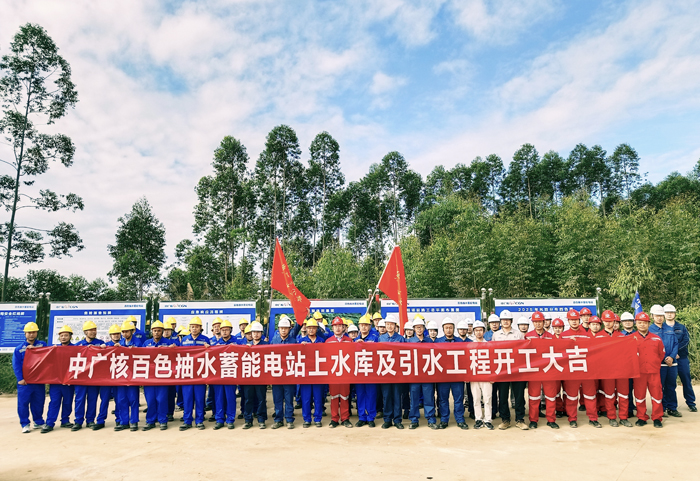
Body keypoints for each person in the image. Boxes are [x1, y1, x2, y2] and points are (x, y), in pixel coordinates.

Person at [561, 309, 598, 428]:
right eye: (571, 320)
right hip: (571, 371)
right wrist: (567, 342)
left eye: (576, 319)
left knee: (590, 395)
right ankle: (572, 419)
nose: (574, 322)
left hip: (587, 370)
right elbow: (558, 352)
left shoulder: (588, 335)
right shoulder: (563, 335)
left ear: (579, 320)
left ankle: (593, 418)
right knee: (571, 397)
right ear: (568, 321)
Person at [492, 310, 527, 430]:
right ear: (500, 321)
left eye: (507, 320)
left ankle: (520, 419)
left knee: (519, 396)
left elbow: (523, 351)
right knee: (502, 397)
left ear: (511, 321)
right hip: (502, 370)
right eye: (503, 320)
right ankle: (505, 420)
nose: (505, 322)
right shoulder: (496, 335)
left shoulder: (518, 334)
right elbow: (493, 352)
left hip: (517, 370)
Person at [597, 310, 632, 427]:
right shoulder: (598, 337)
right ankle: (611, 417)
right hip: (607, 372)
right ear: (602, 321)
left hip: (622, 371)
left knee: (624, 395)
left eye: (610, 321)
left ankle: (623, 417)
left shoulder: (622, 336)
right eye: (606, 321)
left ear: (614, 321)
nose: (608, 323)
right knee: (609, 395)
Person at [73, 321, 109, 432]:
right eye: (90, 330)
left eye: (94, 330)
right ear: (85, 332)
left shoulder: (101, 343)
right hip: (81, 378)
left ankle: (90, 420)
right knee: (79, 399)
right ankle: (78, 421)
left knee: (92, 399)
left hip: (94, 377)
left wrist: (103, 348)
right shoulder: (78, 345)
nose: (93, 332)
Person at [525, 311, 559, 429]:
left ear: (544, 322)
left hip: (548, 369)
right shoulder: (528, 336)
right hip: (534, 371)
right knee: (534, 397)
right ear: (533, 323)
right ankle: (533, 420)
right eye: (535, 322)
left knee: (551, 396)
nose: (538, 324)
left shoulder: (550, 336)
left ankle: (551, 419)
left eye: (540, 322)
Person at [632, 312, 665, 428]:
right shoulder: (631, 338)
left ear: (648, 324)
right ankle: (641, 417)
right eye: (639, 322)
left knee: (657, 395)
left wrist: (654, 363)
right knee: (639, 396)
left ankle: (657, 418)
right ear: (636, 324)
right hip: (638, 373)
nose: (642, 325)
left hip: (654, 372)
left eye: (644, 323)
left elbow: (661, 354)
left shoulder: (656, 338)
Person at [13, 321, 47, 433]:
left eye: (33, 332)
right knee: (23, 403)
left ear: (37, 333)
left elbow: (49, 357)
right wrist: (20, 379)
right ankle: (25, 424)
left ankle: (38, 422)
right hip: (25, 382)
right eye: (29, 332)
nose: (31, 334)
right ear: (25, 334)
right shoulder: (19, 349)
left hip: (39, 381)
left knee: (39, 402)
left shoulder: (43, 345)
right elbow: (16, 365)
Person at [435, 317, 469, 430]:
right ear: (443, 329)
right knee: (443, 399)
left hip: (457, 376)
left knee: (458, 399)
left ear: (454, 329)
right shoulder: (438, 342)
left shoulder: (460, 341)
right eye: (446, 328)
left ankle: (460, 419)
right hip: (443, 377)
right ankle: (444, 420)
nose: (448, 330)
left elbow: (465, 359)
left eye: (450, 327)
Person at [42, 325, 75, 433]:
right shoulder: (54, 349)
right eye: (61, 336)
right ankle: (49, 423)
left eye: (66, 335)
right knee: (54, 402)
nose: (63, 337)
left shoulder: (75, 349)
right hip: (56, 382)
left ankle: (65, 420)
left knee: (68, 402)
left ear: (70, 336)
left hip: (69, 381)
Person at [649, 304, 680, 417]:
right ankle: (661, 408)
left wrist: (671, 357)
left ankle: (672, 408)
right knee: (659, 387)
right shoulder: (650, 330)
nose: (659, 318)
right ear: (652, 316)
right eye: (657, 315)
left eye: (661, 315)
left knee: (671, 386)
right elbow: (651, 348)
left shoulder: (669, 328)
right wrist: (663, 358)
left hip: (672, 364)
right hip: (659, 364)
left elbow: (676, 343)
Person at [179, 316, 210, 431]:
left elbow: (210, 356)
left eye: (196, 327)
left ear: (200, 328)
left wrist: (209, 348)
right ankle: (187, 420)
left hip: (200, 374)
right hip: (187, 374)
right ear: (189, 328)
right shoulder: (184, 340)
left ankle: (199, 420)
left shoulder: (205, 340)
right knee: (187, 399)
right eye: (192, 327)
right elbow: (179, 355)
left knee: (199, 399)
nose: (194, 329)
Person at [664, 304, 696, 412]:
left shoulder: (681, 327)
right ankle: (668, 405)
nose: (669, 314)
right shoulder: (662, 328)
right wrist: (671, 355)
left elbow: (686, 340)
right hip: (668, 359)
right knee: (669, 383)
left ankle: (691, 403)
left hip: (681, 357)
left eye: (671, 312)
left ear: (675, 314)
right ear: (664, 314)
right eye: (667, 312)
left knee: (686, 380)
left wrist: (675, 352)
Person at [269, 315, 299, 429]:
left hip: (289, 375)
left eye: (285, 328)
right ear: (278, 328)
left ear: (289, 329)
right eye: (281, 328)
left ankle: (289, 419)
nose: (283, 330)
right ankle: (278, 419)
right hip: (277, 375)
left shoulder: (293, 341)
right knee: (277, 399)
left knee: (288, 399)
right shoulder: (274, 340)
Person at [407, 317, 437, 429]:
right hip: (414, 375)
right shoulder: (409, 342)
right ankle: (414, 419)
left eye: (421, 327)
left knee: (429, 397)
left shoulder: (429, 341)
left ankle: (431, 419)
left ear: (424, 328)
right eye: (417, 327)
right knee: (414, 398)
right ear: (414, 329)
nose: (419, 329)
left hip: (427, 374)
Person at [325, 317, 354, 428]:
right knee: (334, 397)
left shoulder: (349, 341)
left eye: (339, 326)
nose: (337, 328)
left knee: (345, 396)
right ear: (332, 328)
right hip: (333, 373)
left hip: (345, 373)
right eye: (335, 326)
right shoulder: (328, 341)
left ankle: (345, 418)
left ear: (343, 328)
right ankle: (334, 419)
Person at [378, 315, 406, 429]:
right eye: (388, 324)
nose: (389, 326)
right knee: (386, 396)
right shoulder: (381, 338)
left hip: (397, 372)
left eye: (392, 324)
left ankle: (398, 420)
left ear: (395, 326)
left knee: (397, 396)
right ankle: (387, 419)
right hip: (385, 372)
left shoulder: (400, 339)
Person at [142, 321, 170, 431]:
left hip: (163, 376)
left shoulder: (168, 343)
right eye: (154, 331)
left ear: (162, 331)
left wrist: (172, 349)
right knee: (150, 400)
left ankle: (163, 420)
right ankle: (150, 421)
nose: (157, 332)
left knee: (161, 399)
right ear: (152, 332)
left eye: (159, 330)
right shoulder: (146, 343)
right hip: (149, 376)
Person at [116, 320, 143, 432]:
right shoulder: (120, 342)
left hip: (133, 375)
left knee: (133, 399)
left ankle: (134, 421)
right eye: (123, 332)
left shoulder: (137, 342)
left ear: (132, 331)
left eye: (126, 331)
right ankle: (124, 421)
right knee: (122, 399)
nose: (124, 334)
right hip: (122, 374)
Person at [211, 319, 239, 430]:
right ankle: (219, 419)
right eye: (222, 330)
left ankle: (230, 420)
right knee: (219, 398)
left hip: (231, 374)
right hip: (218, 375)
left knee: (230, 397)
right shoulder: (215, 343)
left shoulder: (236, 342)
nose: (224, 332)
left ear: (230, 330)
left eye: (227, 330)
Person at [299, 319, 325, 428]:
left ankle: (318, 418)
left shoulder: (321, 341)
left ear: (316, 329)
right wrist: (300, 347)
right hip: (306, 374)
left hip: (318, 374)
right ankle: (307, 419)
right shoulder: (301, 341)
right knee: (306, 399)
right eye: (309, 328)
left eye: (313, 328)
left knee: (318, 398)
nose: (311, 330)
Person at [354, 315, 379, 427]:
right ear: (359, 326)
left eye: (366, 325)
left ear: (369, 326)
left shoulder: (375, 338)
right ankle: (362, 417)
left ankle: (371, 417)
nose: (364, 327)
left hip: (371, 371)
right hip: (359, 371)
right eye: (362, 325)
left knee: (371, 394)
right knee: (360, 395)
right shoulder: (355, 340)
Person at [470, 321, 494, 430]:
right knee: (476, 398)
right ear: (474, 332)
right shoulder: (470, 345)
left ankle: (488, 420)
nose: (478, 332)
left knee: (487, 398)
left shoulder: (489, 345)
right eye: (476, 330)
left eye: (480, 330)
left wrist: (493, 376)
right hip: (474, 376)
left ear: (484, 331)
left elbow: (493, 361)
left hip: (486, 376)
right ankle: (478, 419)